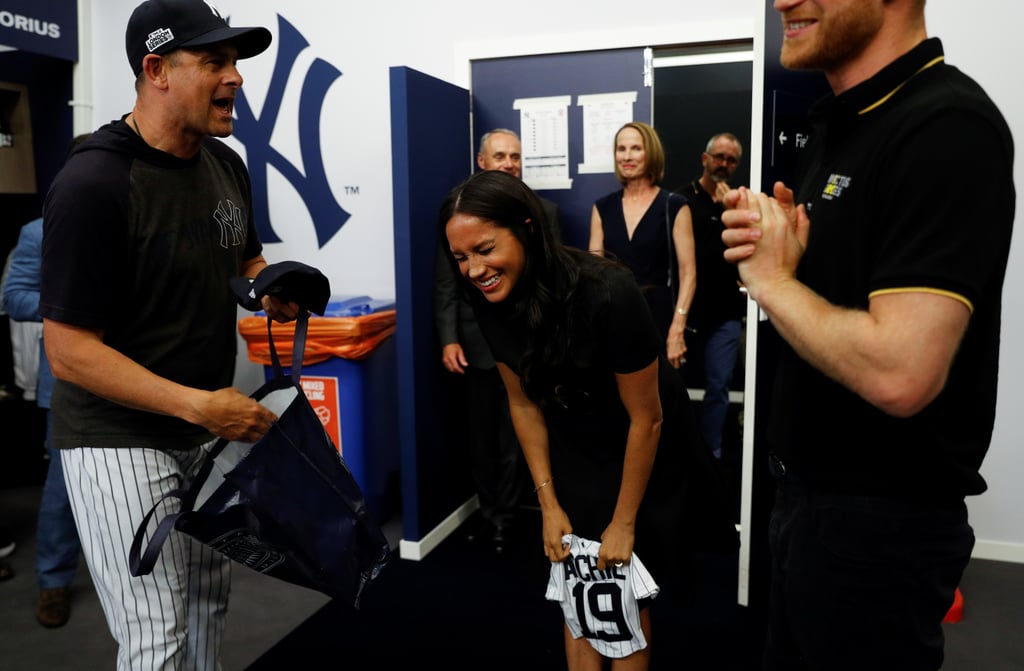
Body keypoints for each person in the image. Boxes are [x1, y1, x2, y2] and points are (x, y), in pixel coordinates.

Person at [721, 1, 1015, 669]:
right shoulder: (841, 124)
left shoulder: (946, 125)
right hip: (805, 502)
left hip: (881, 528)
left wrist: (775, 283)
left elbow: (902, 374)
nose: (782, 1)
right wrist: (788, 259)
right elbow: (834, 305)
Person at [39, 1, 297, 667]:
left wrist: (272, 289)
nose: (235, 77)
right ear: (156, 70)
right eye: (215, 61)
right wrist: (197, 404)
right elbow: (68, 351)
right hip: (116, 436)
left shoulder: (225, 164)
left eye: (235, 61)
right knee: (156, 634)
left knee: (208, 600)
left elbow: (244, 260)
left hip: (203, 423)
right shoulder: (93, 182)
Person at [440, 169, 707, 669]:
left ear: (527, 228)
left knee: (625, 593)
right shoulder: (488, 298)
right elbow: (523, 404)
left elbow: (646, 419)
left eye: (484, 249)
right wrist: (548, 502)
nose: (474, 270)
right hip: (573, 444)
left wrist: (624, 522)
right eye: (460, 258)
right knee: (576, 587)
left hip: (639, 441)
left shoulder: (607, 290)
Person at [434, 128, 561, 553]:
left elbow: (551, 284)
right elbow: (448, 283)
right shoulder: (457, 216)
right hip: (474, 349)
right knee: (481, 442)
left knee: (515, 439)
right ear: (482, 161)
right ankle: (488, 513)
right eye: (500, 156)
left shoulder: (542, 212)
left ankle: (506, 518)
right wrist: (449, 337)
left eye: (515, 156)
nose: (509, 163)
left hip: (523, 350)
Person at [4, 215, 81, 627]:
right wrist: (74, 303)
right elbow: (14, 297)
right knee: (62, 487)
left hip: (148, 371)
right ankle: (53, 580)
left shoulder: (141, 218)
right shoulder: (38, 230)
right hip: (69, 380)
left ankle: (144, 571)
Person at [588, 121, 695, 370]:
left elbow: (688, 273)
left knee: (661, 400)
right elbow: (594, 272)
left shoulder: (674, 205)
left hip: (659, 318)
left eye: (636, 148)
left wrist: (677, 328)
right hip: (614, 317)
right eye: (621, 148)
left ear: (651, 153)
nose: (627, 156)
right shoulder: (602, 208)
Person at [674, 133, 747, 460]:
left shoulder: (738, 203)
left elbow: (746, 254)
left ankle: (712, 454)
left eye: (731, 160)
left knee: (719, 386)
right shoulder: (681, 200)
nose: (724, 164)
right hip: (688, 312)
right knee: (675, 387)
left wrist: (729, 209)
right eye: (718, 157)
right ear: (705, 159)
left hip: (726, 313)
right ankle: (680, 454)